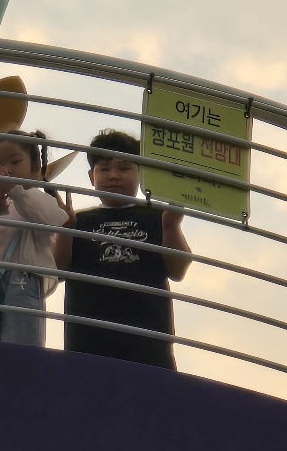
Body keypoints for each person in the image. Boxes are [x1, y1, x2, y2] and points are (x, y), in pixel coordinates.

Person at [53, 129, 192, 369]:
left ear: (141, 173)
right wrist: (65, 230)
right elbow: (58, 270)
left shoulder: (158, 216)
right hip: (87, 342)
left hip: (148, 342)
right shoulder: (79, 221)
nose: (114, 176)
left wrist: (171, 225)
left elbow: (178, 270)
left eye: (124, 168)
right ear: (91, 176)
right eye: (104, 169)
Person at [0, 131, 70, 345]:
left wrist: (15, 190)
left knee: (20, 346)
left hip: (23, 283)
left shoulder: (37, 198)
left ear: (35, 167)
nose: (7, 169)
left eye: (15, 162)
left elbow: (54, 220)